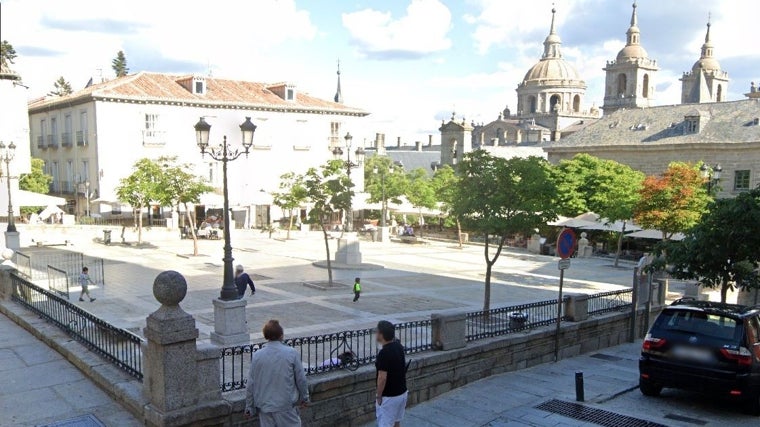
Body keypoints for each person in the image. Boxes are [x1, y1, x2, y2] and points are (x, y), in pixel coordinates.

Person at [245, 320, 309, 427]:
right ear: (281, 335)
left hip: (265, 407)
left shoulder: (257, 356)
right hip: (285, 406)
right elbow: (301, 379)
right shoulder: (291, 353)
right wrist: (304, 397)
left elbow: (251, 384)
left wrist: (249, 407)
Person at [375, 320, 408, 427]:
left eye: (377, 332)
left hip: (389, 397)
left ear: (381, 334)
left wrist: (378, 396)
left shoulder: (383, 353)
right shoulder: (399, 346)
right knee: (396, 423)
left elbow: (382, 378)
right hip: (402, 393)